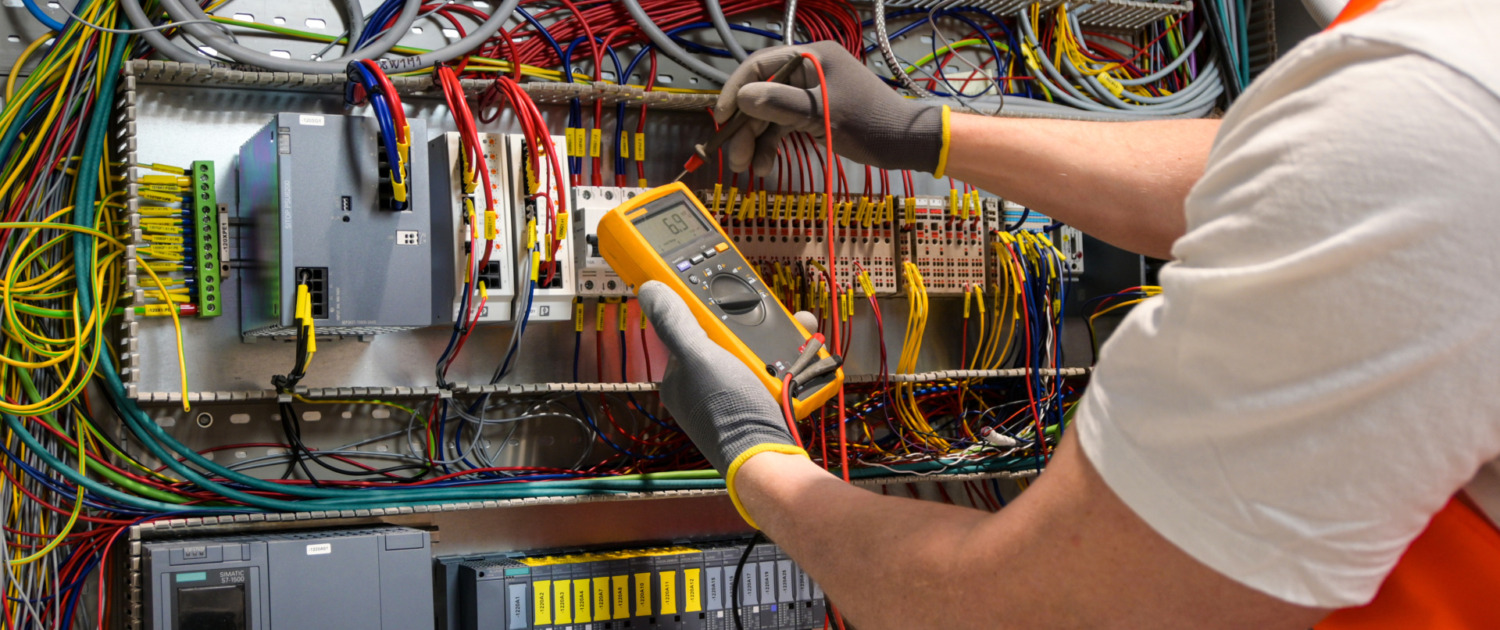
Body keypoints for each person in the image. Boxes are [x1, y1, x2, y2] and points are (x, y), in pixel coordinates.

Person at [637, 0, 1500, 627]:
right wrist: (925, 132)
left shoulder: (1435, 105)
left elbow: (1021, 609)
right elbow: (1290, 164)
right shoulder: (1443, 71)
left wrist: (755, 460)